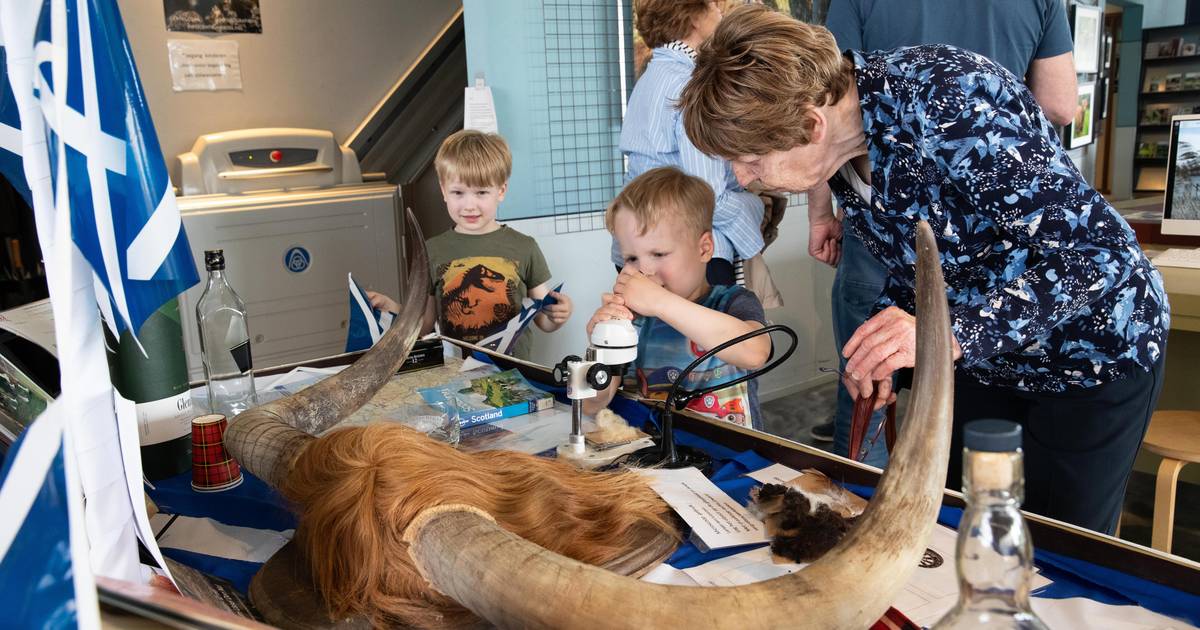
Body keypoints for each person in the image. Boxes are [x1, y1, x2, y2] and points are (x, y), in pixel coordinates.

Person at [678, 5, 1168, 534]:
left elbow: (1093, 255)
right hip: (986, 362)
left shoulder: (949, 99)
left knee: (1061, 556)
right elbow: (936, 255)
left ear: (811, 124)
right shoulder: (844, 148)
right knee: (963, 529)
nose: (746, 178)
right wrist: (891, 340)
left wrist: (945, 332)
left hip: (1088, 354)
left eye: (751, 160)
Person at [807, 0, 1079, 466]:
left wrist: (819, 215)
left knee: (870, 384)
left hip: (885, 206)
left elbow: (824, 103)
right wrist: (990, 120)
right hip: (992, 233)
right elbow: (1060, 104)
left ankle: (855, 506)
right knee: (901, 384)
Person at [584, 167, 771, 430]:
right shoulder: (632, 320)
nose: (644, 270)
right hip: (650, 454)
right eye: (631, 258)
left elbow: (755, 353)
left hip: (726, 457)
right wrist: (603, 347)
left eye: (659, 254)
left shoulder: (732, 302)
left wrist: (659, 302)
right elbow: (591, 405)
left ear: (704, 248)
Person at [367, 130, 572, 360]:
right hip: (456, 375)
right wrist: (392, 308)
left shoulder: (525, 247)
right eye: (458, 192)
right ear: (444, 190)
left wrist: (559, 315)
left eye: (481, 192)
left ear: (501, 191)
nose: (469, 205)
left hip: (514, 376)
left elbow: (544, 319)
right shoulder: (431, 251)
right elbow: (423, 324)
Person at [617, 0, 764, 287]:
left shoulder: (650, 79)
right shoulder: (691, 85)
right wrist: (757, 206)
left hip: (638, 250)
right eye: (712, 3)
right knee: (720, 332)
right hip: (690, 258)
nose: (720, 10)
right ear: (693, 15)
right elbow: (709, 200)